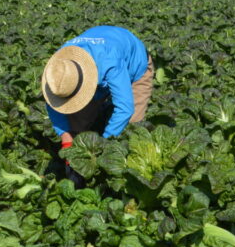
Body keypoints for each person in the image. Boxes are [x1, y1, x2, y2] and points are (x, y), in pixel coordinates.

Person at [41, 26, 154, 178]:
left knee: (131, 130)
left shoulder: (109, 62)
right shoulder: (61, 69)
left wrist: (103, 146)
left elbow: (125, 109)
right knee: (77, 124)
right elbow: (53, 105)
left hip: (135, 65)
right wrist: (67, 140)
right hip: (101, 60)